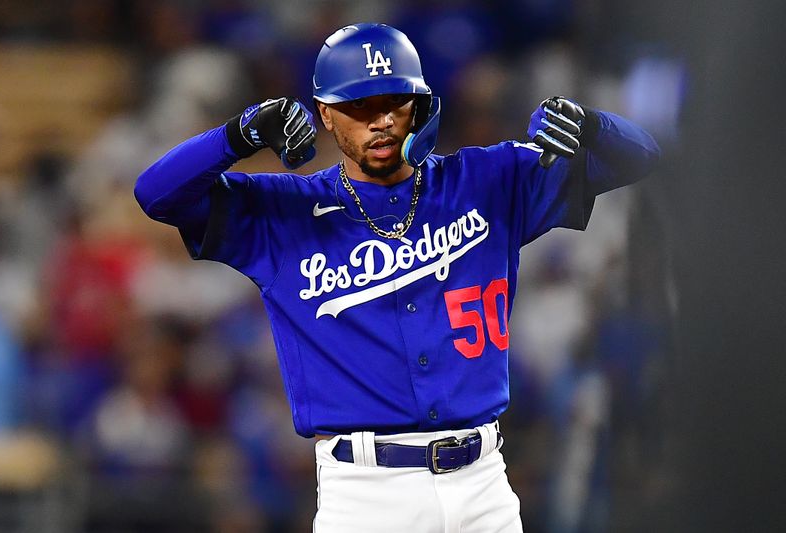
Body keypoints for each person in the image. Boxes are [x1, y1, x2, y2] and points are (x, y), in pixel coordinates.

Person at [134, 22, 659, 533]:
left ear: (421, 106)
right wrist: (238, 136)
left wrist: (593, 127)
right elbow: (156, 195)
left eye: (393, 102)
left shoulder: (489, 180)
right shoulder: (284, 211)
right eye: (358, 106)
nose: (380, 120)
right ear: (326, 116)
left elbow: (642, 156)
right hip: (367, 494)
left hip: (484, 484)